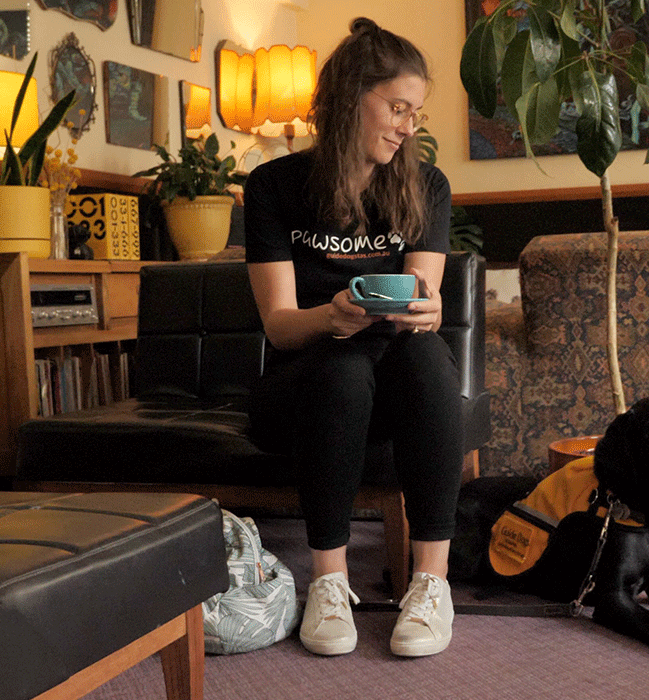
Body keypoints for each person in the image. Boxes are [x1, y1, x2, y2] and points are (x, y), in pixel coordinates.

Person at [241, 17, 462, 658]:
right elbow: (281, 326)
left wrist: (427, 309)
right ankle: (329, 583)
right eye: (397, 108)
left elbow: (425, 297)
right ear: (349, 98)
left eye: (415, 113)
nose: (408, 126)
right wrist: (331, 317)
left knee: (424, 353)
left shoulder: (425, 187)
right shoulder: (275, 187)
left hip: (395, 373)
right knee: (341, 368)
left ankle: (430, 584)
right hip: (306, 376)